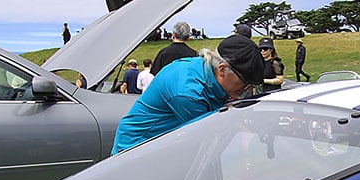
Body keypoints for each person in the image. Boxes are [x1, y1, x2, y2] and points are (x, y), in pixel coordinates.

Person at [111, 35, 264, 154]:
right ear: (222, 69)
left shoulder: (202, 68)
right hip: (135, 149)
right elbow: (208, 141)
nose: (247, 90)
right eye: (245, 82)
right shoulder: (189, 93)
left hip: (158, 147)